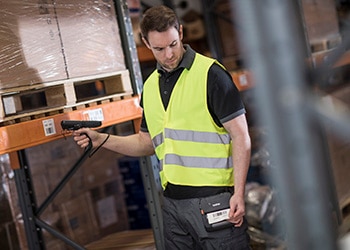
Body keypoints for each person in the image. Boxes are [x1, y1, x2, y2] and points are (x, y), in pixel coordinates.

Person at [73, 5, 251, 250]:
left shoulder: (211, 75)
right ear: (146, 43)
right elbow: (145, 143)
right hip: (173, 205)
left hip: (216, 201)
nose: (169, 54)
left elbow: (241, 137)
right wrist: (100, 139)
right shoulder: (151, 88)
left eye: (173, 44)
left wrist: (239, 193)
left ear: (180, 32)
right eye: (159, 48)